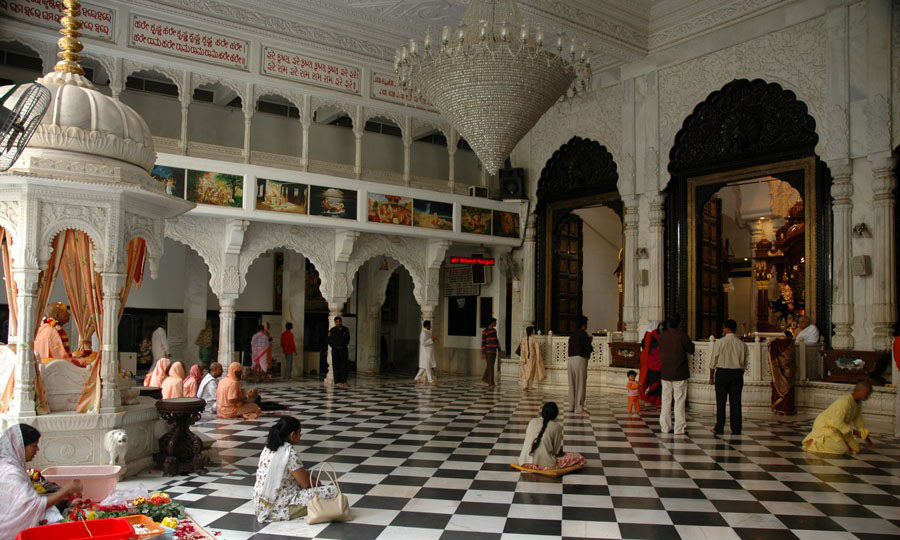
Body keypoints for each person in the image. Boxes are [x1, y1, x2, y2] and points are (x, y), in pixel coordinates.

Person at [0, 424, 84, 540]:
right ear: (19, 446)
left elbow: (27, 501)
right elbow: (33, 505)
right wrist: (67, 489)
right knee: (54, 521)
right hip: (5, 532)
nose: (37, 450)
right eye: (34, 446)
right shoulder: (11, 473)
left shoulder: (8, 464)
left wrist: (61, 495)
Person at [253, 416, 337, 522]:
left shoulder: (267, 449)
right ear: (293, 435)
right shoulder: (289, 454)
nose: (300, 435)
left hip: (260, 504)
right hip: (278, 508)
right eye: (299, 432)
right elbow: (305, 483)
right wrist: (318, 484)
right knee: (332, 491)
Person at [802, 381, 875, 455]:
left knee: (856, 449)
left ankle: (837, 441)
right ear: (858, 391)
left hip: (839, 428)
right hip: (825, 426)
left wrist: (864, 435)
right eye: (867, 393)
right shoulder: (845, 402)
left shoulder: (858, 402)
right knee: (843, 450)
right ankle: (813, 443)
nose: (868, 396)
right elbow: (838, 423)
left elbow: (858, 419)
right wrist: (855, 432)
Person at [517, 402, 586, 472]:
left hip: (524, 462)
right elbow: (556, 452)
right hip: (544, 466)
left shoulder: (532, 421)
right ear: (555, 415)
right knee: (578, 457)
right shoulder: (557, 427)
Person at [708, 319, 747, 435]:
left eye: (724, 328)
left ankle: (719, 427)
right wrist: (739, 374)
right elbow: (745, 363)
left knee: (721, 402)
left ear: (727, 329)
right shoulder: (741, 344)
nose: (722, 330)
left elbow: (713, 360)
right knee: (736, 402)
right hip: (736, 374)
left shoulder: (720, 342)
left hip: (722, 374)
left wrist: (711, 376)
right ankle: (736, 428)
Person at [659, 314, 694, 435]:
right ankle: (679, 429)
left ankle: (665, 427)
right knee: (679, 401)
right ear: (679, 323)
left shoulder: (662, 336)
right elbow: (691, 349)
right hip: (679, 372)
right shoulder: (682, 335)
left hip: (665, 372)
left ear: (668, 323)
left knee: (666, 400)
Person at [567, 315, 593, 415]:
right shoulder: (583, 334)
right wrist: (590, 341)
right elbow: (589, 348)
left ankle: (571, 406)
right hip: (579, 359)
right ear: (583, 324)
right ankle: (579, 408)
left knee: (572, 384)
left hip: (571, 360)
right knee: (580, 384)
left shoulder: (572, 334)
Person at [769, 331, 797, 415]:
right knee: (788, 389)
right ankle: (787, 409)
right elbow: (790, 358)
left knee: (779, 386)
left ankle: (779, 408)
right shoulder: (791, 344)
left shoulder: (776, 344)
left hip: (780, 371)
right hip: (789, 370)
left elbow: (772, 350)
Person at [639, 321, 662, 408]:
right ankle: (650, 399)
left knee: (644, 378)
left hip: (645, 359)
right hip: (652, 361)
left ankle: (643, 397)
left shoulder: (647, 333)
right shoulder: (653, 334)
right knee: (653, 381)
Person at [519, 326, 545, 391]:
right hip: (531, 357)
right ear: (531, 331)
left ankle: (526, 386)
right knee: (531, 371)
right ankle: (528, 386)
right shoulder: (533, 339)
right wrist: (539, 357)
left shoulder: (523, 338)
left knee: (525, 371)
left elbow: (522, 349)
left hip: (525, 357)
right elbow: (537, 349)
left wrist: (522, 357)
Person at [328, 317, 351, 388]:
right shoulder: (332, 330)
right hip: (335, 350)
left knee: (344, 365)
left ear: (341, 321)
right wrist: (334, 346)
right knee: (336, 365)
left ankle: (344, 381)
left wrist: (343, 345)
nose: (338, 323)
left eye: (339, 321)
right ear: (335, 322)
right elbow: (328, 340)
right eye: (337, 322)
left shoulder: (346, 329)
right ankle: (338, 382)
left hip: (343, 349)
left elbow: (348, 339)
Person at [414, 320, 437, 385]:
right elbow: (423, 343)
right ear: (427, 326)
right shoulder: (423, 333)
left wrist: (431, 340)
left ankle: (416, 378)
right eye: (430, 325)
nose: (431, 326)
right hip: (425, 353)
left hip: (428, 352)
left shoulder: (428, 332)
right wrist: (431, 340)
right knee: (427, 367)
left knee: (423, 367)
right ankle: (431, 380)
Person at [481, 318, 500, 389]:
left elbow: (496, 340)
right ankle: (491, 382)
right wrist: (483, 352)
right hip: (488, 351)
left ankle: (485, 378)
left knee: (490, 366)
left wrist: (499, 349)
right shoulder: (485, 331)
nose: (496, 323)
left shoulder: (494, 330)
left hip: (494, 350)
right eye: (495, 322)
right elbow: (483, 342)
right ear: (492, 323)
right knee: (491, 367)